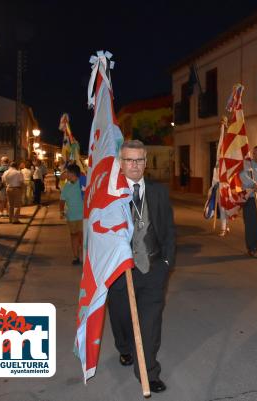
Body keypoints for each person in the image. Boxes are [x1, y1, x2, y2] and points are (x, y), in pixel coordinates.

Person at [107, 140, 176, 393]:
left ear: (145, 163)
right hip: (120, 272)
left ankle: (148, 372)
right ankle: (124, 347)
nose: (134, 165)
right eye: (128, 160)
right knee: (122, 317)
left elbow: (168, 228)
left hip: (153, 268)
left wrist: (167, 262)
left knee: (150, 324)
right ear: (120, 163)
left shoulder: (158, 192)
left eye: (139, 160)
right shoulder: (110, 193)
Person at [59, 164, 84, 265]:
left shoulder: (83, 182)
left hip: (83, 216)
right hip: (72, 217)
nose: (66, 174)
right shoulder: (67, 186)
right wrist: (61, 212)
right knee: (74, 236)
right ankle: (76, 257)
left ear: (72, 173)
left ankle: (83, 256)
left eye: (67, 172)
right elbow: (62, 200)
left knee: (82, 237)